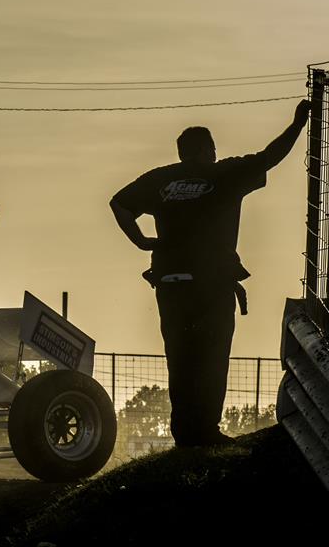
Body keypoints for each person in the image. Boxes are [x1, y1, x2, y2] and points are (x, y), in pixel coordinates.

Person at [109, 99, 311, 447]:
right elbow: (270, 156)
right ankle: (205, 430)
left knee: (180, 356)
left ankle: (185, 433)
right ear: (209, 151)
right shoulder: (225, 173)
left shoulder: (159, 179)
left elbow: (119, 204)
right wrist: (298, 124)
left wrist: (142, 241)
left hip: (171, 284)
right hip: (211, 284)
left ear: (182, 153)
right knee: (211, 356)